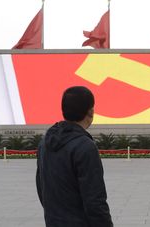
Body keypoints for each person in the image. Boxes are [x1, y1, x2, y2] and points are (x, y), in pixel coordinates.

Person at [36, 86, 113, 227]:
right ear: (91, 111)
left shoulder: (45, 142)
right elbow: (95, 201)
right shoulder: (85, 146)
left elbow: (41, 187)